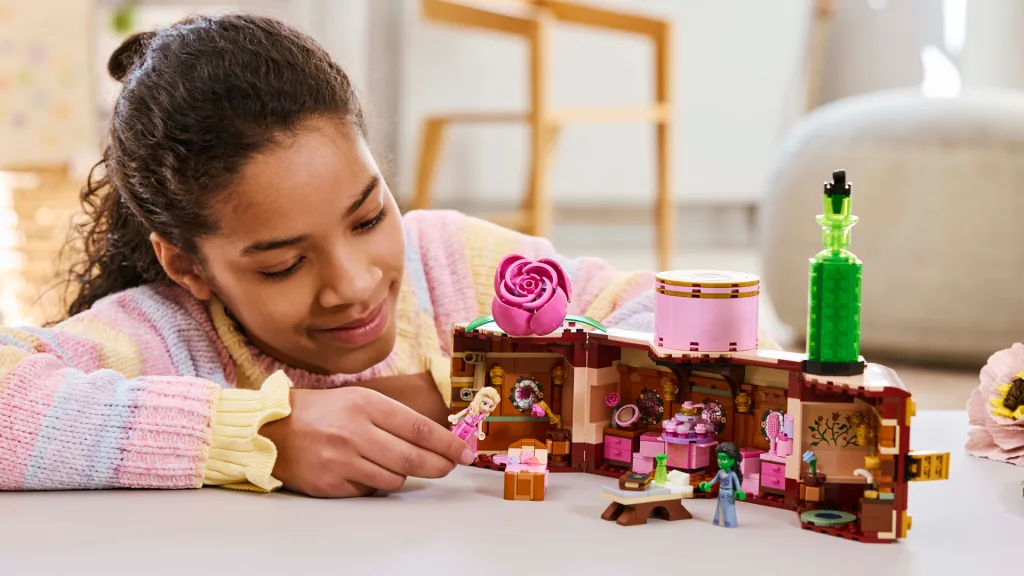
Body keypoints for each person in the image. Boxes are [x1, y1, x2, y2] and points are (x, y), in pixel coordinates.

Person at [0, 14, 774, 498]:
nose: (354, 283)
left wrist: (468, 393)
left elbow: (712, 337)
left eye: (368, 216)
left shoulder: (457, 265)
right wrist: (262, 433)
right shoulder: (164, 339)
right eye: (281, 264)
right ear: (190, 267)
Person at [698, 442, 746, 527]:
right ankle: (719, 521)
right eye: (719, 459)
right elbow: (714, 480)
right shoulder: (720, 472)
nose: (720, 462)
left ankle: (729, 522)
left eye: (724, 459)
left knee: (729, 508)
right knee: (720, 507)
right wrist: (707, 485)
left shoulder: (732, 474)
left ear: (733, 460)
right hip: (721, 492)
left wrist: (739, 491)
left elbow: (738, 485)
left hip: (729, 493)